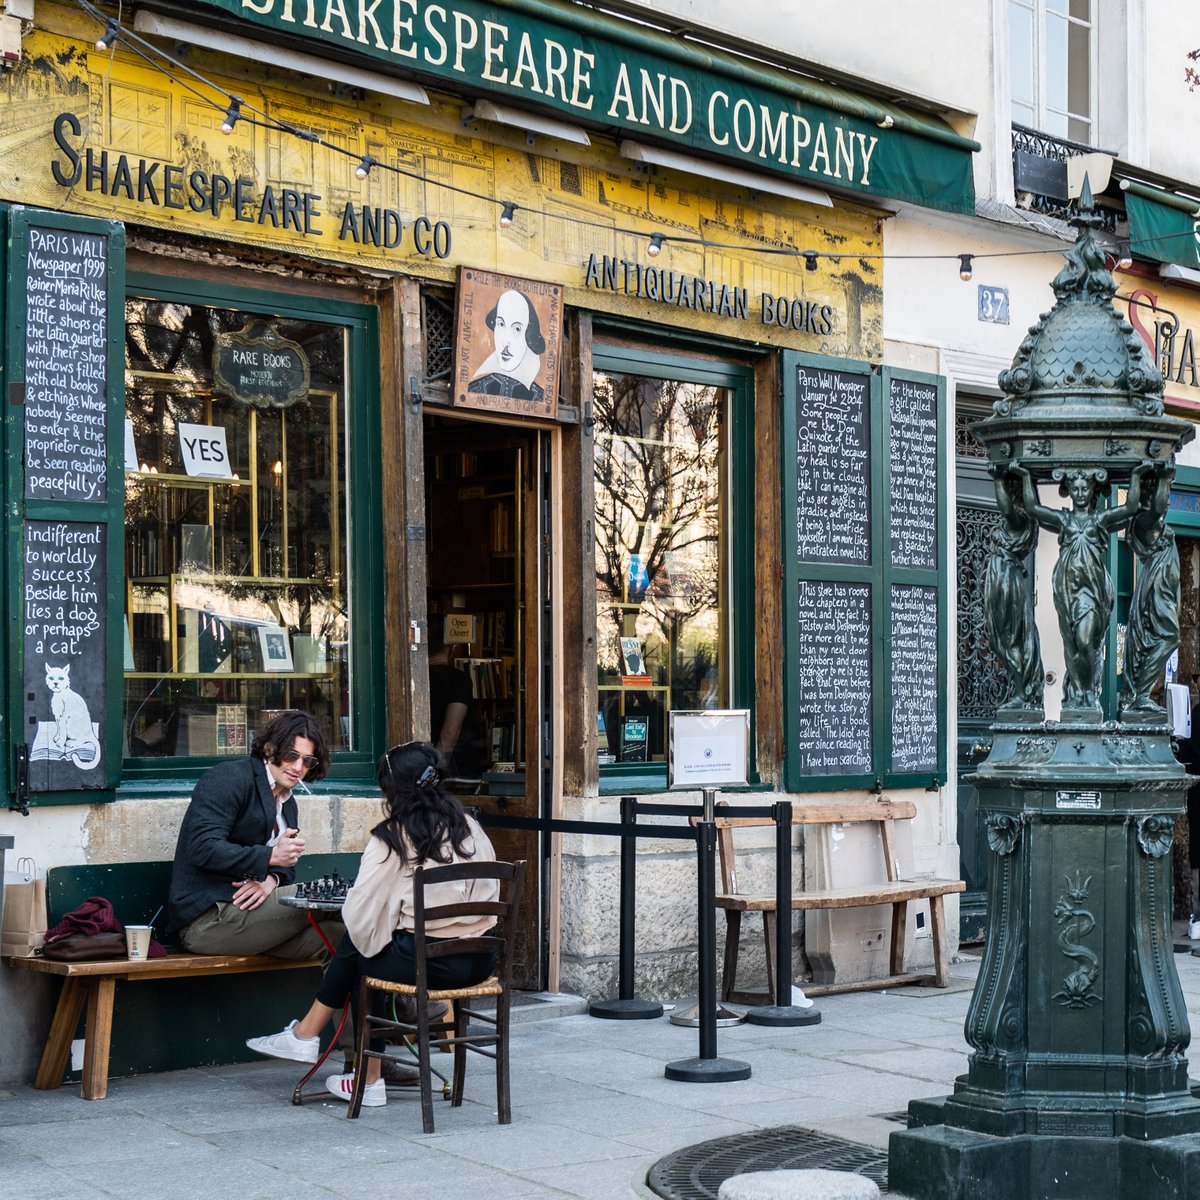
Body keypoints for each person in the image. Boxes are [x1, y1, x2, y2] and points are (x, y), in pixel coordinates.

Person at [245, 741, 499, 1107]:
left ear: (392, 790)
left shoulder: (392, 837)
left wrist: (389, 925)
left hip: (429, 964)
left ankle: (338, 1057)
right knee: (368, 950)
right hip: (481, 961)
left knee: (361, 950)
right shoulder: (470, 826)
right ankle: (353, 1068)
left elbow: (361, 918)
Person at [167, 709, 342, 960]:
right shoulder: (230, 777)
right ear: (270, 749)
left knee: (339, 936)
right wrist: (269, 856)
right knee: (331, 893)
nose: (297, 767)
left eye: (307, 761)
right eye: (291, 755)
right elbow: (202, 847)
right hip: (207, 919)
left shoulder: (287, 802)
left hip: (255, 916)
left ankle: (388, 995)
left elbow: (286, 865)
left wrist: (271, 880)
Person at [1017, 461, 1150, 711]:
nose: (1079, 494)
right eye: (1075, 489)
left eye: (1084, 489)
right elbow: (1032, 507)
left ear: (1091, 491)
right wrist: (1025, 477)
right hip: (1066, 591)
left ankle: (1087, 690)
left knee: (1085, 639)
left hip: (1091, 592)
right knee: (1072, 644)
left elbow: (1131, 506)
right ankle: (1078, 694)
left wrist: (1137, 474)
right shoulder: (1063, 520)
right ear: (1070, 489)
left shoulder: (1099, 520)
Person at [1121, 464, 1179, 715]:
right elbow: (1158, 506)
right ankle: (1141, 694)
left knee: (1163, 638)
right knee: (1169, 637)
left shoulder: (1156, 521)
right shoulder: (1145, 520)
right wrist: (1165, 475)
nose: (1164, 501)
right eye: (1159, 491)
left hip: (1164, 587)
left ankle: (1140, 694)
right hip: (1155, 587)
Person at [985, 463, 1044, 710]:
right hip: (1002, 576)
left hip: (1006, 579)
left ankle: (1022, 692)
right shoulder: (1024, 520)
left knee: (1008, 640)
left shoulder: (1020, 519)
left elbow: (1006, 508)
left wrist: (998, 477)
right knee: (1002, 640)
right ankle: (1023, 691)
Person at [467, 289, 546, 403]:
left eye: (517, 328)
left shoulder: (538, 397)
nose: (505, 341)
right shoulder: (474, 389)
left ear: (529, 334)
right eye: (501, 324)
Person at [427, 621, 475, 774]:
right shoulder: (459, 679)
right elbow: (450, 731)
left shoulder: (412, 680)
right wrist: (435, 771)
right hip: (450, 764)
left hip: (420, 760)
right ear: (452, 647)